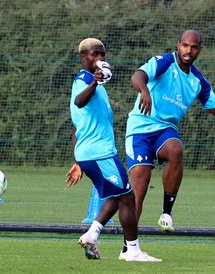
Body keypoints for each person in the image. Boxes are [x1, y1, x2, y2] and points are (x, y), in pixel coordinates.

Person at [125, 29, 215, 233]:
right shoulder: (164, 62)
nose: (189, 50)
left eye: (194, 47)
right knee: (139, 189)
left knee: (176, 149)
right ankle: (130, 246)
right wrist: (144, 90)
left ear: (199, 50)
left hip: (165, 130)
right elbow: (138, 76)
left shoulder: (198, 81)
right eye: (185, 45)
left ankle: (166, 213)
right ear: (178, 45)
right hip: (140, 128)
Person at [66, 38, 161, 262]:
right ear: (83, 58)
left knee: (117, 194)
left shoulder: (93, 82)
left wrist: (78, 161)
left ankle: (92, 235)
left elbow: (78, 125)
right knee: (128, 197)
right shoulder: (84, 79)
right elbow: (80, 102)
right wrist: (94, 83)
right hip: (99, 154)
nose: (100, 59)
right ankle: (131, 250)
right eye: (94, 54)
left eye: (102, 55)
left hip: (94, 153)